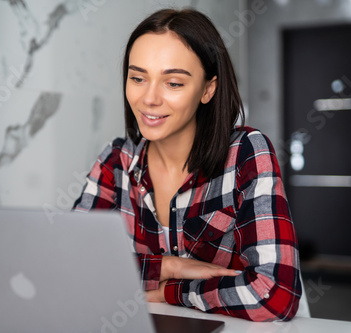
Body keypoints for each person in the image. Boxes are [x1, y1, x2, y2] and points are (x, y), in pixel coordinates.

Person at [73, 8, 301, 322]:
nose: (149, 98)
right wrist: (168, 267)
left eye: (174, 83)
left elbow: (274, 292)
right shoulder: (116, 161)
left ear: (208, 89)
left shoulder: (245, 152)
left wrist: (171, 292)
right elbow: (71, 269)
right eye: (138, 78)